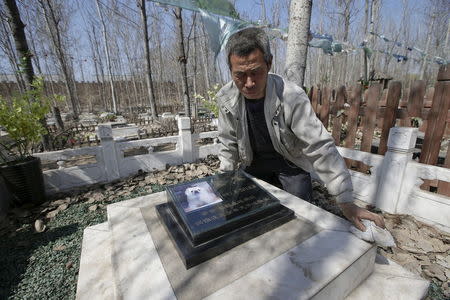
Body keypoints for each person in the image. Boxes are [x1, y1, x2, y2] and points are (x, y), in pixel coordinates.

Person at [216, 27, 384, 231]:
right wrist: (224, 179)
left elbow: (319, 145)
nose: (249, 83)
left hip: (290, 164)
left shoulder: (291, 96)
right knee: (247, 217)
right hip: (253, 162)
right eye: (240, 75)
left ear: (269, 64)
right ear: (230, 70)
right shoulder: (226, 98)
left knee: (299, 220)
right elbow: (228, 142)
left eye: (256, 72)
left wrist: (346, 201)